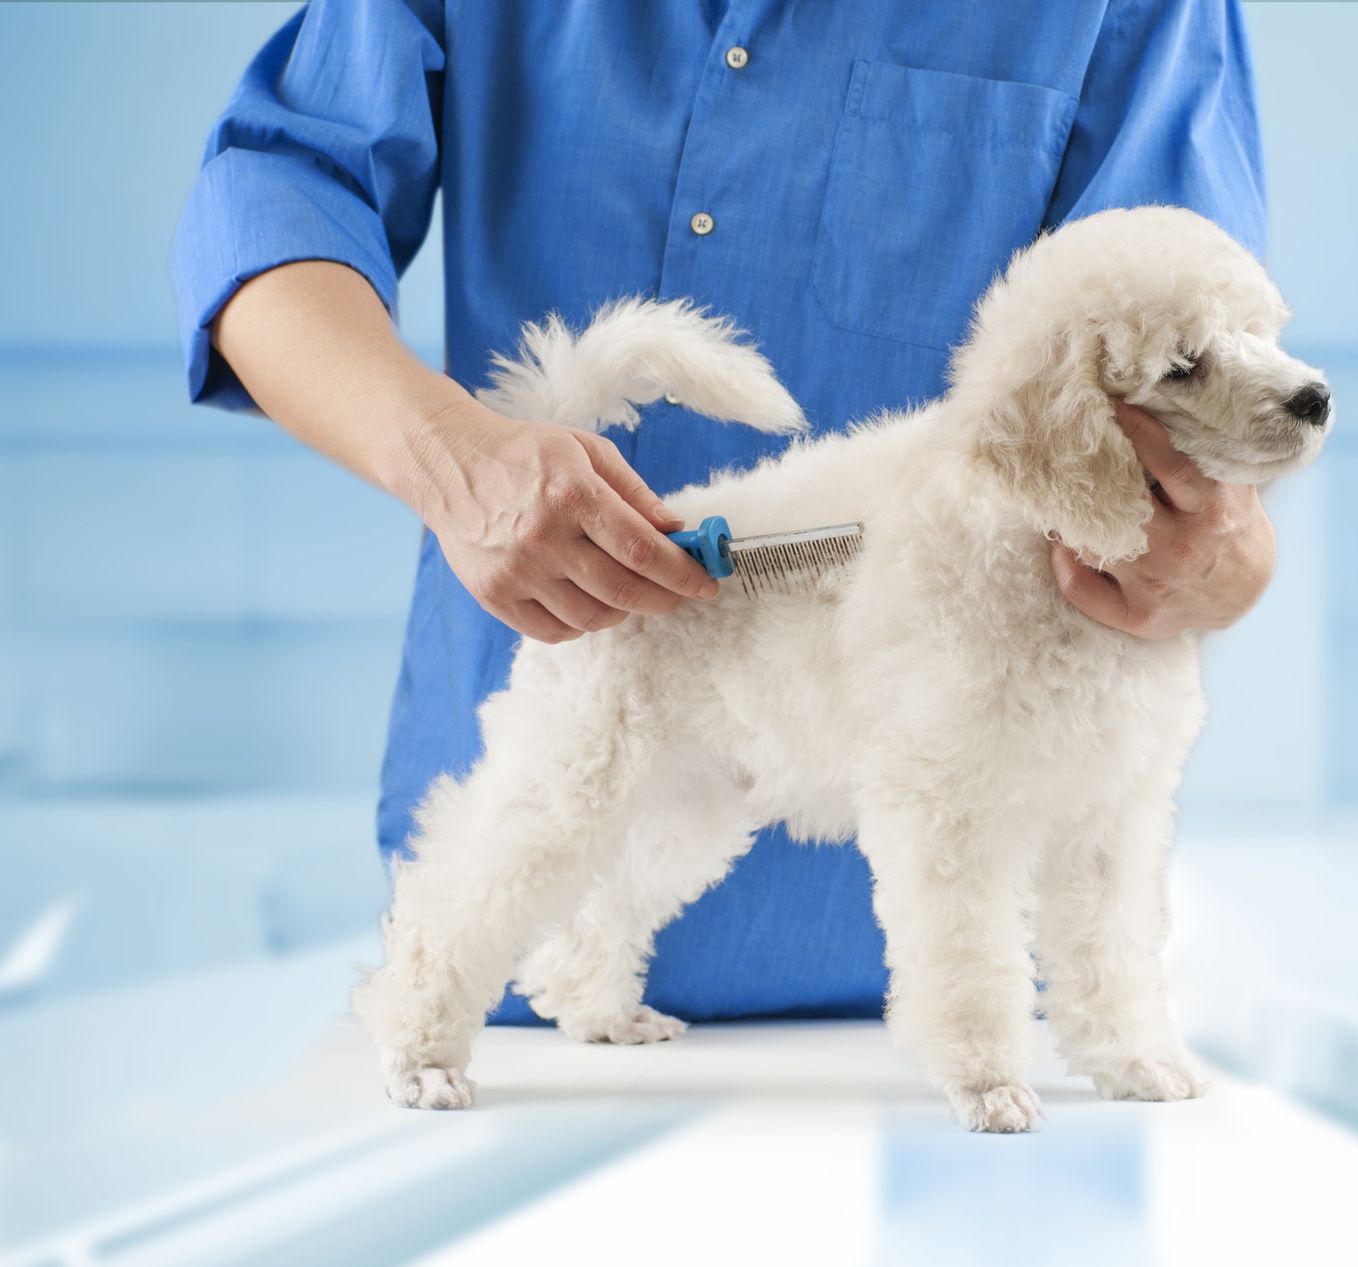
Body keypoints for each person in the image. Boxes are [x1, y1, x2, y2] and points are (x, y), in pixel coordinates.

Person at [172, 0, 1275, 1024]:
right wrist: (448, 453)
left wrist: (1220, 547)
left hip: (948, 1017)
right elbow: (277, 185)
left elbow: (1191, 333)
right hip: (529, 1008)